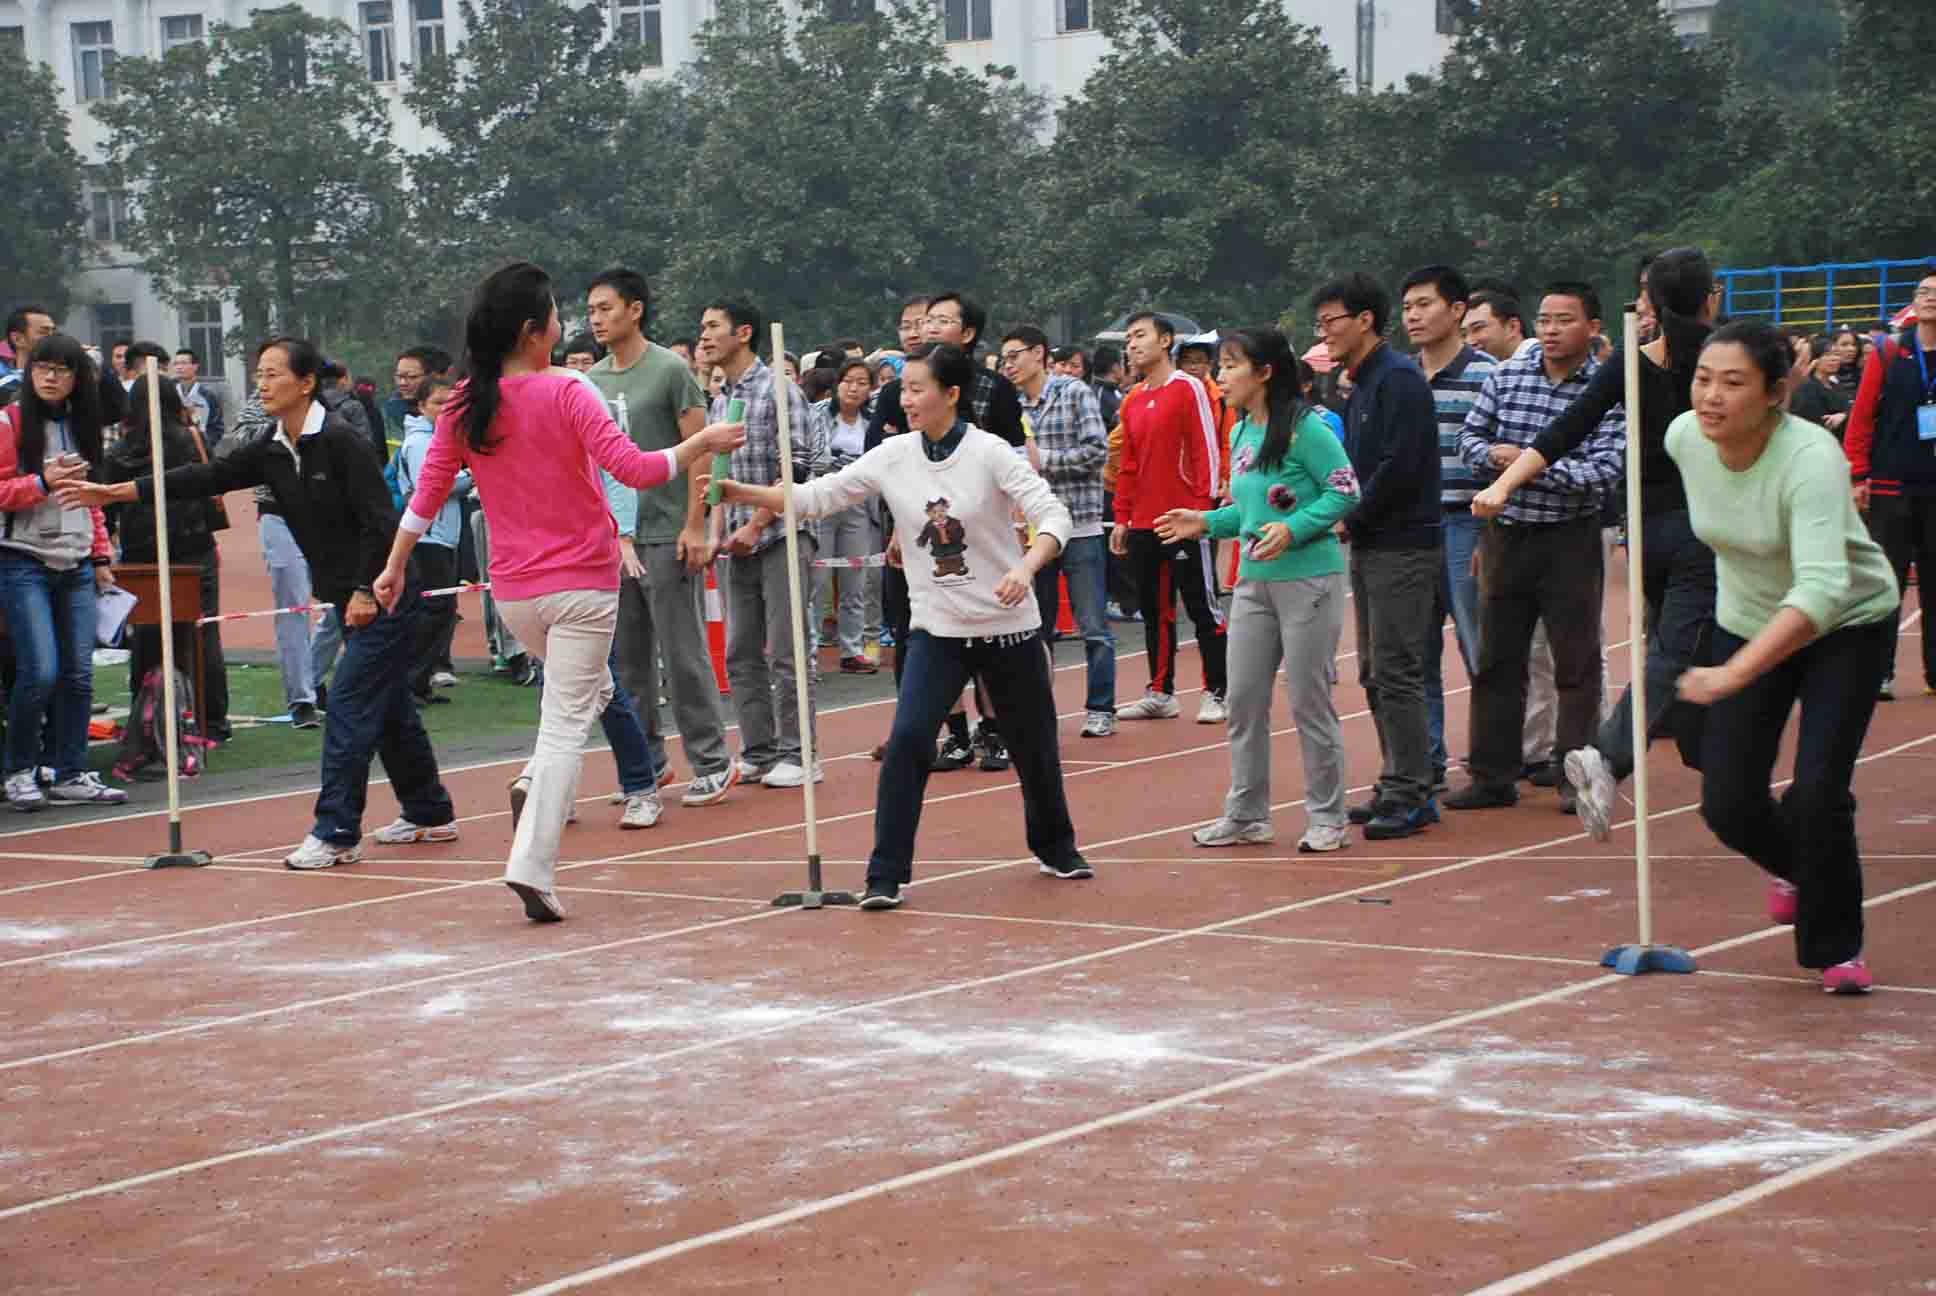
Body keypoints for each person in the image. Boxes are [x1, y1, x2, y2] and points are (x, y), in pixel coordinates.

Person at [374, 262, 744, 921]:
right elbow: (635, 468)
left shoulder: (464, 402)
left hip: (516, 596)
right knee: (565, 723)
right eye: (555, 315)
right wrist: (702, 443)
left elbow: (426, 495)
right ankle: (531, 863)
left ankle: (535, 783)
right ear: (532, 330)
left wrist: (395, 564)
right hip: (583, 586)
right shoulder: (569, 389)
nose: (565, 325)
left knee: (586, 691)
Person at [717, 343, 1089, 909]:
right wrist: (741, 493)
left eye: (917, 389)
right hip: (937, 631)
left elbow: (1052, 514)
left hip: (1007, 626)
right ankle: (885, 874)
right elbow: (818, 496)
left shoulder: (989, 452)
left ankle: (1056, 846)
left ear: (952, 394)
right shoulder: (893, 455)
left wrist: (1026, 566)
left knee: (1034, 746)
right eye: (903, 389)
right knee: (910, 740)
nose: (906, 400)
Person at [60, 336, 455, 860]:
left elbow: (380, 523)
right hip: (346, 596)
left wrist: (367, 589)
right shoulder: (273, 446)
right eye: (259, 374)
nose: (261, 384)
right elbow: (208, 475)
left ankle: (336, 834)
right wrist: (118, 492)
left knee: (347, 706)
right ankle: (429, 811)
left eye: (272, 374)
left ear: (306, 383)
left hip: (387, 593)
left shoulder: (341, 441)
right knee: (388, 711)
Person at [1672, 321, 1899, 994]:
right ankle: (1803, 869)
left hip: (1847, 623)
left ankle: (1837, 947)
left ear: (1775, 393)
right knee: (1728, 802)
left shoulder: (1810, 457)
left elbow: (1823, 588)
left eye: (1732, 383)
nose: (1711, 397)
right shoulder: (1685, 438)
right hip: (1746, 619)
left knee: (1818, 791)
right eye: (1702, 379)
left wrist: (1735, 673)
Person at [1475, 248, 1717, 841]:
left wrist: (1505, 483)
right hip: (1705, 527)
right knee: (1679, 651)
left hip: (1647, 532)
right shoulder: (1725, 358)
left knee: (1688, 651)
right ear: (1711, 299)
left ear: (1650, 303)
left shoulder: (1630, 364)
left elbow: (1565, 430)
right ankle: (1609, 757)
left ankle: (1705, 750)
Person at [1156, 327, 1358, 852]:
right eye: (1220, 365)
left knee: (1309, 701)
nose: (1220, 375)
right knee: (1243, 701)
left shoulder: (1306, 427)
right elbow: (1248, 512)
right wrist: (1205, 521)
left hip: (1309, 580)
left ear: (1265, 372)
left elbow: (1344, 490)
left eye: (1230, 365)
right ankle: (1247, 814)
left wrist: (1295, 529)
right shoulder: (1243, 429)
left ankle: (1328, 817)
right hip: (1253, 584)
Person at [1448, 282, 1622, 815]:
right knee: (1497, 660)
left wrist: (1527, 464)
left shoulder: (1608, 391)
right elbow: (1469, 441)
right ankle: (1492, 776)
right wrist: (1496, 460)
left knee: (1576, 664)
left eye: (1564, 320)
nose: (1551, 330)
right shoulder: (1506, 378)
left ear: (1593, 328)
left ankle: (1575, 779)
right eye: (1544, 319)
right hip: (1507, 535)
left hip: (1570, 539)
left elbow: (1602, 472)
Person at [584, 267, 738, 807]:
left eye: (606, 308)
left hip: (666, 530)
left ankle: (712, 761)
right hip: (616, 540)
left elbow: (701, 448)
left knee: (682, 652)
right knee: (627, 661)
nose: (596, 319)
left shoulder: (671, 370)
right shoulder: (590, 381)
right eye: (591, 310)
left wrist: (696, 523)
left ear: (635, 309)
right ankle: (646, 764)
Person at [865, 292, 1023, 769]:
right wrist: (900, 528)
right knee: (922, 633)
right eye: (923, 321)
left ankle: (994, 731)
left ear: (968, 333)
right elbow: (876, 467)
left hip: (983, 538)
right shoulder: (894, 395)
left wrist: (1019, 529)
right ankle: (951, 734)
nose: (927, 327)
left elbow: (1016, 464)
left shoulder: (993, 389)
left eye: (940, 320)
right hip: (917, 537)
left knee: (987, 635)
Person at [1311, 274, 1443, 839]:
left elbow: (1399, 465)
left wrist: (1350, 515)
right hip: (1372, 544)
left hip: (1404, 545)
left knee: (1397, 670)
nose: (1324, 333)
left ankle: (1413, 792)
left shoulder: (1398, 379)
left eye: (1330, 321)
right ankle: (1398, 780)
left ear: (1365, 320)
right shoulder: (1361, 383)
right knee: (1374, 671)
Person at [703, 297, 826, 788]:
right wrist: (716, 532)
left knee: (786, 650)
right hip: (735, 544)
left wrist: (755, 525)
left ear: (744, 333)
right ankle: (759, 749)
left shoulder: (780, 390)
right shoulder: (719, 399)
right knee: (739, 652)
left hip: (780, 535)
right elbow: (718, 478)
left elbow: (796, 468)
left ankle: (800, 753)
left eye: (714, 326)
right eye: (702, 327)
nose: (705, 336)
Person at [0, 334, 126, 809]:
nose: (51, 377)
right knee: (40, 671)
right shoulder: (9, 422)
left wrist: (100, 557)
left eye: (62, 369)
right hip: (22, 558)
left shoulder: (81, 426)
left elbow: (90, 499)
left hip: (76, 563)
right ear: (29, 371)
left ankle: (70, 771)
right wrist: (40, 481)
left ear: (77, 378)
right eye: (42, 368)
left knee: (79, 675)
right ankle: (19, 770)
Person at [1400, 264, 1495, 791]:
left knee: (1479, 646)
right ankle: (1426, 763)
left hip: (1468, 524)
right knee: (1415, 654)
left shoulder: (1488, 375)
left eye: (1424, 304)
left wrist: (1491, 532)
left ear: (1457, 310)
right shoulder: (1401, 377)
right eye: (1407, 307)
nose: (1413, 316)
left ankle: (1491, 763)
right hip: (1412, 528)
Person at [1111, 311, 1228, 724]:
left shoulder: (1188, 388)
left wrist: (1202, 511)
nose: (1132, 344)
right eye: (1128, 338)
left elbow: (1205, 449)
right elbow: (1128, 463)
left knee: (1202, 607)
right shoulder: (1132, 399)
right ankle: (1161, 692)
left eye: (1140, 335)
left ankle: (1217, 690)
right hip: (1145, 522)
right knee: (1155, 611)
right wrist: (1122, 517)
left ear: (1165, 341)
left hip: (1185, 518)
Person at [999, 325, 1115, 735]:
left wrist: (1044, 460)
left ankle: (1101, 708)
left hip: (1079, 524)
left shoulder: (1075, 392)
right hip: (1034, 535)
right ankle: (1038, 713)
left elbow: (1097, 451)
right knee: (1036, 628)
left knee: (1093, 626)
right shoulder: (1010, 405)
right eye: (1004, 359)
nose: (1008, 365)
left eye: (1014, 356)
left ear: (1039, 354)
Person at [103, 374, 223, 715]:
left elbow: (106, 508)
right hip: (194, 546)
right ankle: (212, 718)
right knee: (202, 632)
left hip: (142, 552)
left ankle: (146, 713)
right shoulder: (192, 440)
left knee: (146, 634)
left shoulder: (119, 453)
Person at [1845, 267, 1936, 701]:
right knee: (1886, 583)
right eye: (1924, 291)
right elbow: (1862, 416)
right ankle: (1878, 672)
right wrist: (1857, 474)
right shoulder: (1888, 351)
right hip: (1890, 485)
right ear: (1913, 302)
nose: (1930, 297)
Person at [394, 375, 469, 703]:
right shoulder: (421, 442)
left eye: (451, 404)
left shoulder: (441, 438)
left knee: (442, 610)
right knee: (434, 609)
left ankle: (420, 682)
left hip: (441, 536)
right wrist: (472, 475)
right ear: (422, 405)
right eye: (438, 403)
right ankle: (409, 683)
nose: (445, 410)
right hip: (427, 538)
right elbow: (435, 486)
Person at [810, 357, 882, 674]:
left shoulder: (873, 421)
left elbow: (878, 461)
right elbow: (815, 457)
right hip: (822, 500)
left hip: (859, 504)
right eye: (848, 381)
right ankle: (810, 654)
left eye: (861, 383)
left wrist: (851, 467)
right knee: (817, 581)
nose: (853, 388)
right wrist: (849, 465)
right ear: (837, 384)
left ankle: (852, 651)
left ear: (870, 389)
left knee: (855, 581)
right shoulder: (818, 414)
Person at [1789, 336, 1852, 437]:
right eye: (1827, 355)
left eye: (1836, 354)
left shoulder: (1836, 386)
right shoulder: (1808, 388)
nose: (1834, 358)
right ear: (1815, 359)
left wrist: (1844, 416)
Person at [172, 348, 224, 446]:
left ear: (195, 366)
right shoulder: (170, 392)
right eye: (176, 364)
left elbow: (216, 429)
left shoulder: (208, 396)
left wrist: (204, 446)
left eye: (183, 363)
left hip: (200, 449)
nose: (179, 367)